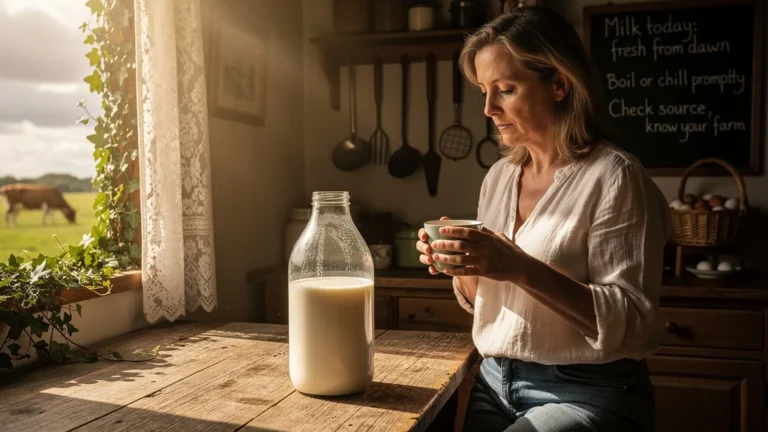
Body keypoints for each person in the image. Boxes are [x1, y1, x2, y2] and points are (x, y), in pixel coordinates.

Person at [415, 6, 671, 432]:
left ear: (559, 84)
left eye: (506, 89)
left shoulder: (615, 177)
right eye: (483, 90)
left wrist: (515, 264)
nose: (488, 109)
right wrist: (460, 263)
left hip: (586, 390)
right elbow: (493, 302)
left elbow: (630, 320)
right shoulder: (499, 177)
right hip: (494, 382)